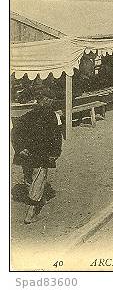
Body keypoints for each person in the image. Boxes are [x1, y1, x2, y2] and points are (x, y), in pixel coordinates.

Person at [11, 87, 63, 223]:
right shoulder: (53, 116)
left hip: (26, 155)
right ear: (49, 101)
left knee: (29, 179)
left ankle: (37, 199)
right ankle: (31, 214)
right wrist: (56, 153)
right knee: (38, 181)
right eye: (49, 100)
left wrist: (20, 148)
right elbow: (57, 136)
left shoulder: (29, 115)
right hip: (41, 155)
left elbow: (14, 131)